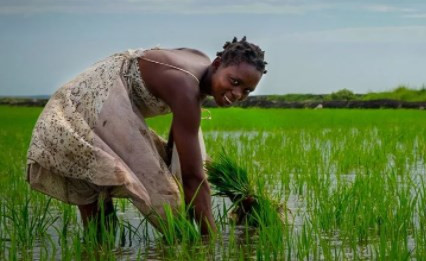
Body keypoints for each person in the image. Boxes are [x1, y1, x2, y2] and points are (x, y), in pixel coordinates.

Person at [26, 37, 267, 236]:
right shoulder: (184, 85)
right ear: (217, 64)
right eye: (234, 82)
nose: (237, 93)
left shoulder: (201, 68)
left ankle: (100, 250)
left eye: (247, 90)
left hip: (111, 103)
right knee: (163, 198)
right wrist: (211, 243)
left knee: (115, 201)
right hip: (90, 101)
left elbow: (183, 148)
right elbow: (193, 178)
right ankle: (184, 244)